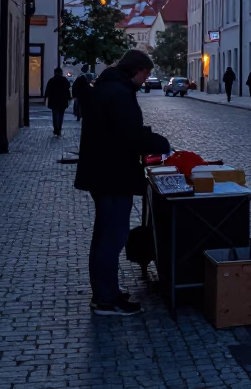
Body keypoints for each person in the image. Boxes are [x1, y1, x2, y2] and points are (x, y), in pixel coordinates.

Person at [74, 49, 156, 316]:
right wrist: (157, 143)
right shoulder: (119, 93)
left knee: (104, 236)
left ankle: (105, 291)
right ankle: (106, 300)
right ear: (137, 70)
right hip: (113, 175)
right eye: (146, 75)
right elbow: (127, 134)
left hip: (103, 173)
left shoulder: (108, 87)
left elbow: (118, 128)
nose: (146, 81)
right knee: (112, 237)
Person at [45, 67, 73, 137]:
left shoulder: (51, 80)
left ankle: (56, 129)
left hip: (53, 101)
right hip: (62, 101)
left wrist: (46, 98)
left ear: (55, 73)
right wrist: (68, 98)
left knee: (55, 115)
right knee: (61, 115)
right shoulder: (64, 80)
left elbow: (47, 91)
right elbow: (67, 90)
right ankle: (59, 128)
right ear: (61, 73)